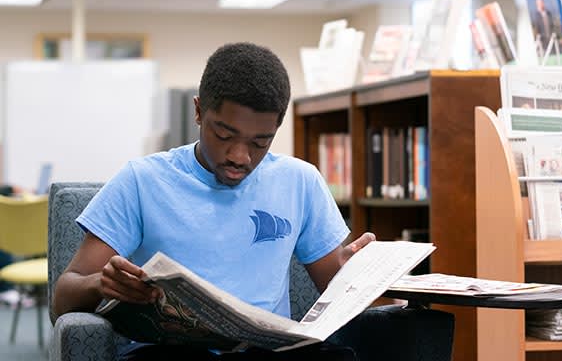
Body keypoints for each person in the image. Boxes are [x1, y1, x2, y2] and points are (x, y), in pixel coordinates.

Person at [53, 42, 375, 360]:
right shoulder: (141, 180)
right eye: (224, 136)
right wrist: (101, 284)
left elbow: (335, 290)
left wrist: (354, 275)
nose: (240, 156)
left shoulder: (300, 181)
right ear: (198, 111)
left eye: (260, 143)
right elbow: (62, 299)